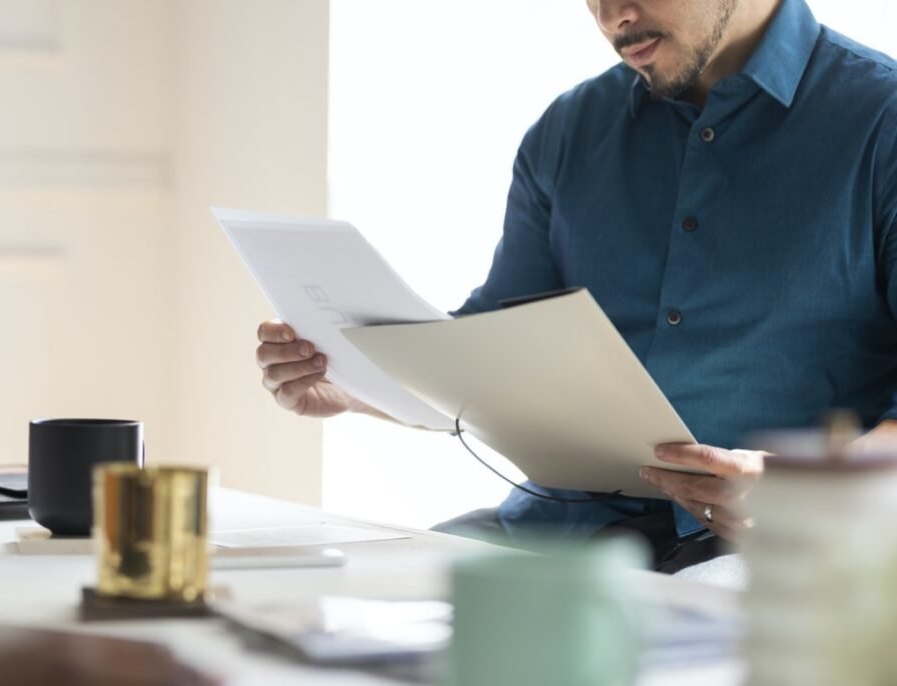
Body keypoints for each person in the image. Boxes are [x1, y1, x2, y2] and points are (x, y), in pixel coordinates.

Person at [255, 0, 897, 570]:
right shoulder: (567, 131)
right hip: (553, 540)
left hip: (782, 565)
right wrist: (351, 383)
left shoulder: (881, 121)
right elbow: (490, 363)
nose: (610, 16)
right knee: (312, 614)